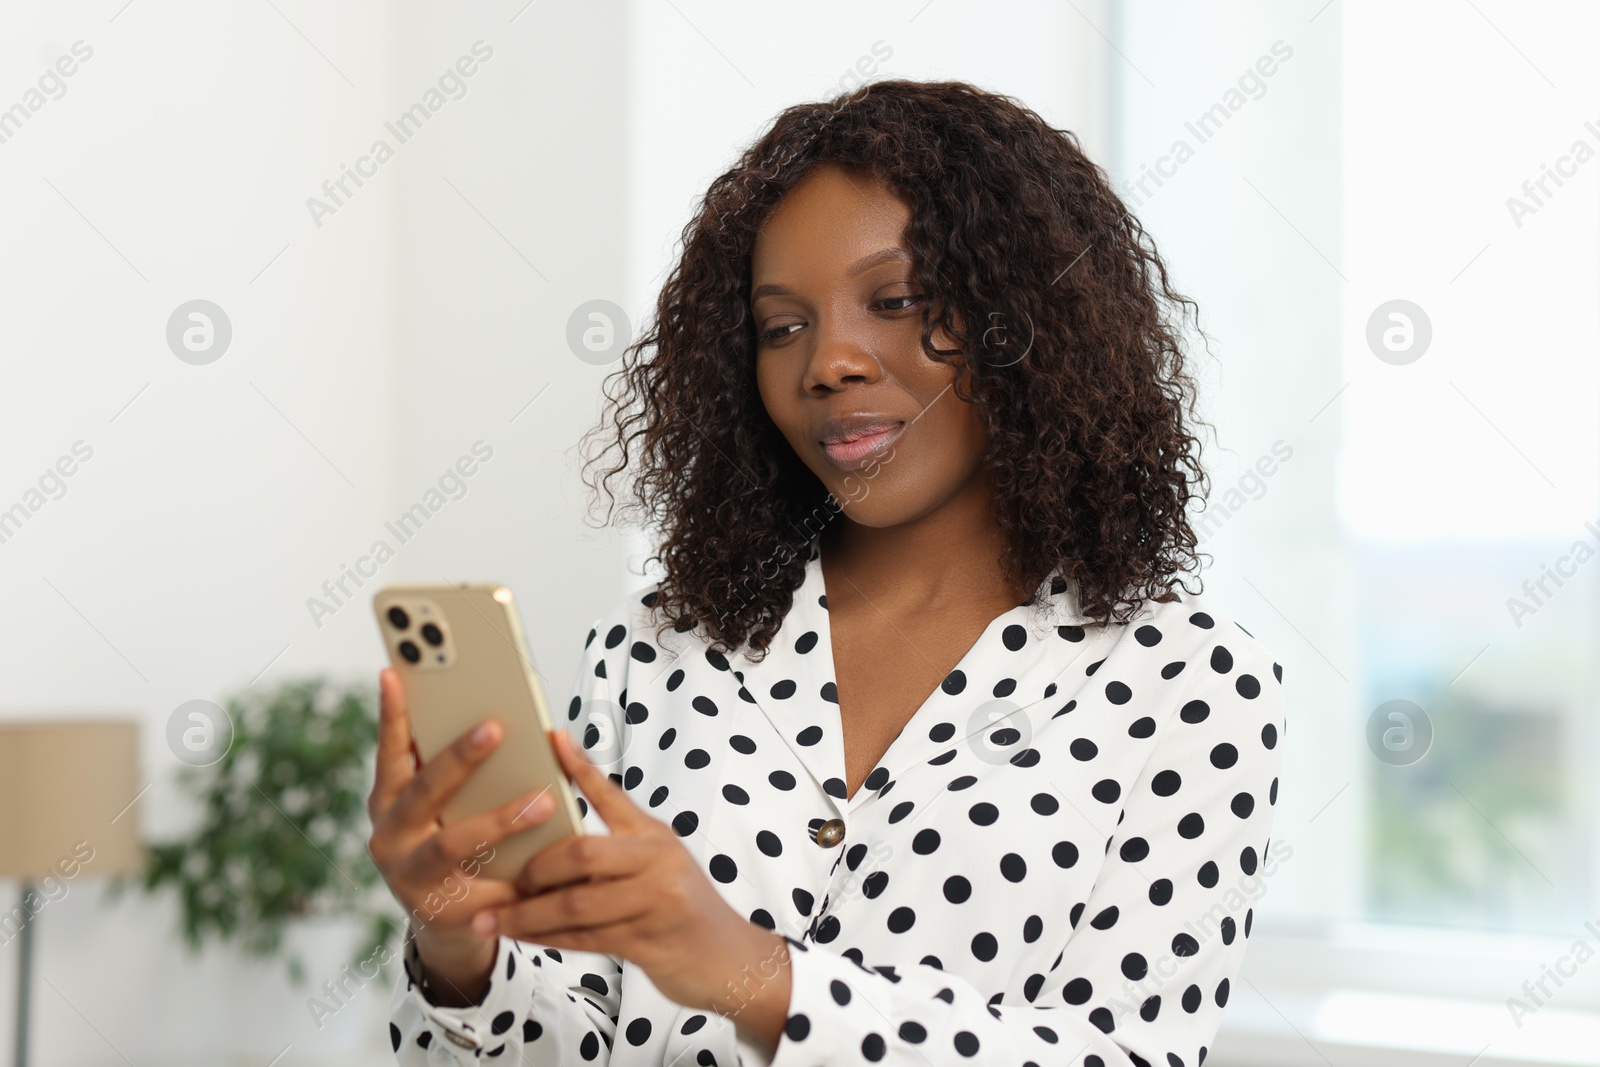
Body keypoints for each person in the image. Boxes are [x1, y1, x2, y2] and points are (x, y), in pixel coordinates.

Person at [367, 78, 1285, 1067]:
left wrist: (760, 978)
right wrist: (457, 946)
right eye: (780, 325)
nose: (828, 362)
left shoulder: (1188, 680)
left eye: (893, 301)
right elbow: (576, 1038)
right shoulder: (654, 651)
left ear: (1024, 318)